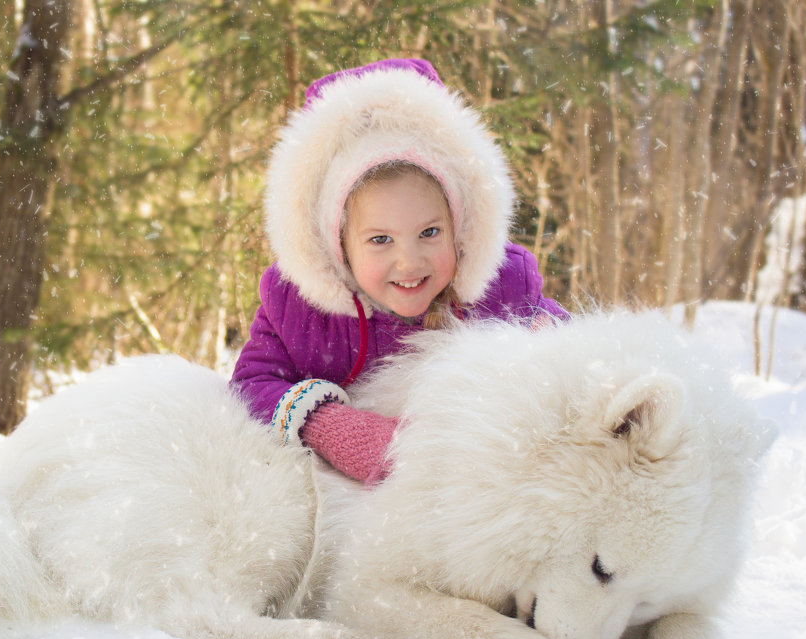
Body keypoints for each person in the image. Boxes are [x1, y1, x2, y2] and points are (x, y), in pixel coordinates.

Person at [229, 58, 567, 484]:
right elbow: (252, 382)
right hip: (359, 515)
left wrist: (556, 356)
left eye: (428, 232)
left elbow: (570, 348)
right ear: (340, 249)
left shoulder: (501, 290)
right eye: (380, 240)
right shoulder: (302, 313)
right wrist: (330, 426)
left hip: (472, 490)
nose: (409, 262)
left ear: (458, 229)